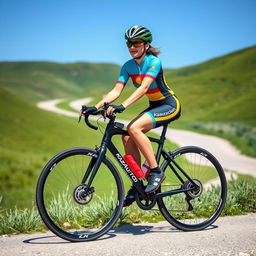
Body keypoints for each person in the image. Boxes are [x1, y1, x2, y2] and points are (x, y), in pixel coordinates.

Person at [83, 25, 181, 207]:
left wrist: (122, 106)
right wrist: (94, 107)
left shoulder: (153, 62)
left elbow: (144, 88)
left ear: (146, 44)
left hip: (169, 104)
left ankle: (156, 171)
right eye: (129, 43)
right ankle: (138, 185)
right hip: (154, 106)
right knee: (127, 137)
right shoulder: (128, 66)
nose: (132, 47)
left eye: (136, 43)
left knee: (133, 128)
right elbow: (116, 90)